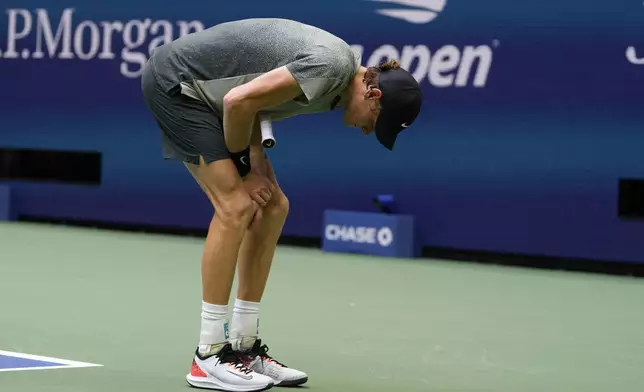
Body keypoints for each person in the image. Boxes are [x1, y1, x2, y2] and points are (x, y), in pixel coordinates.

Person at [141, 17, 423, 392]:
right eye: (378, 122)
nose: (370, 131)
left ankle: (243, 346)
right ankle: (208, 355)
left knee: (274, 206)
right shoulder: (330, 67)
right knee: (236, 206)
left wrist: (256, 167)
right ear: (373, 96)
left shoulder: (334, 88)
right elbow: (237, 101)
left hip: (220, 102)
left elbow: (253, 102)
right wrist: (246, 172)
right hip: (177, 85)